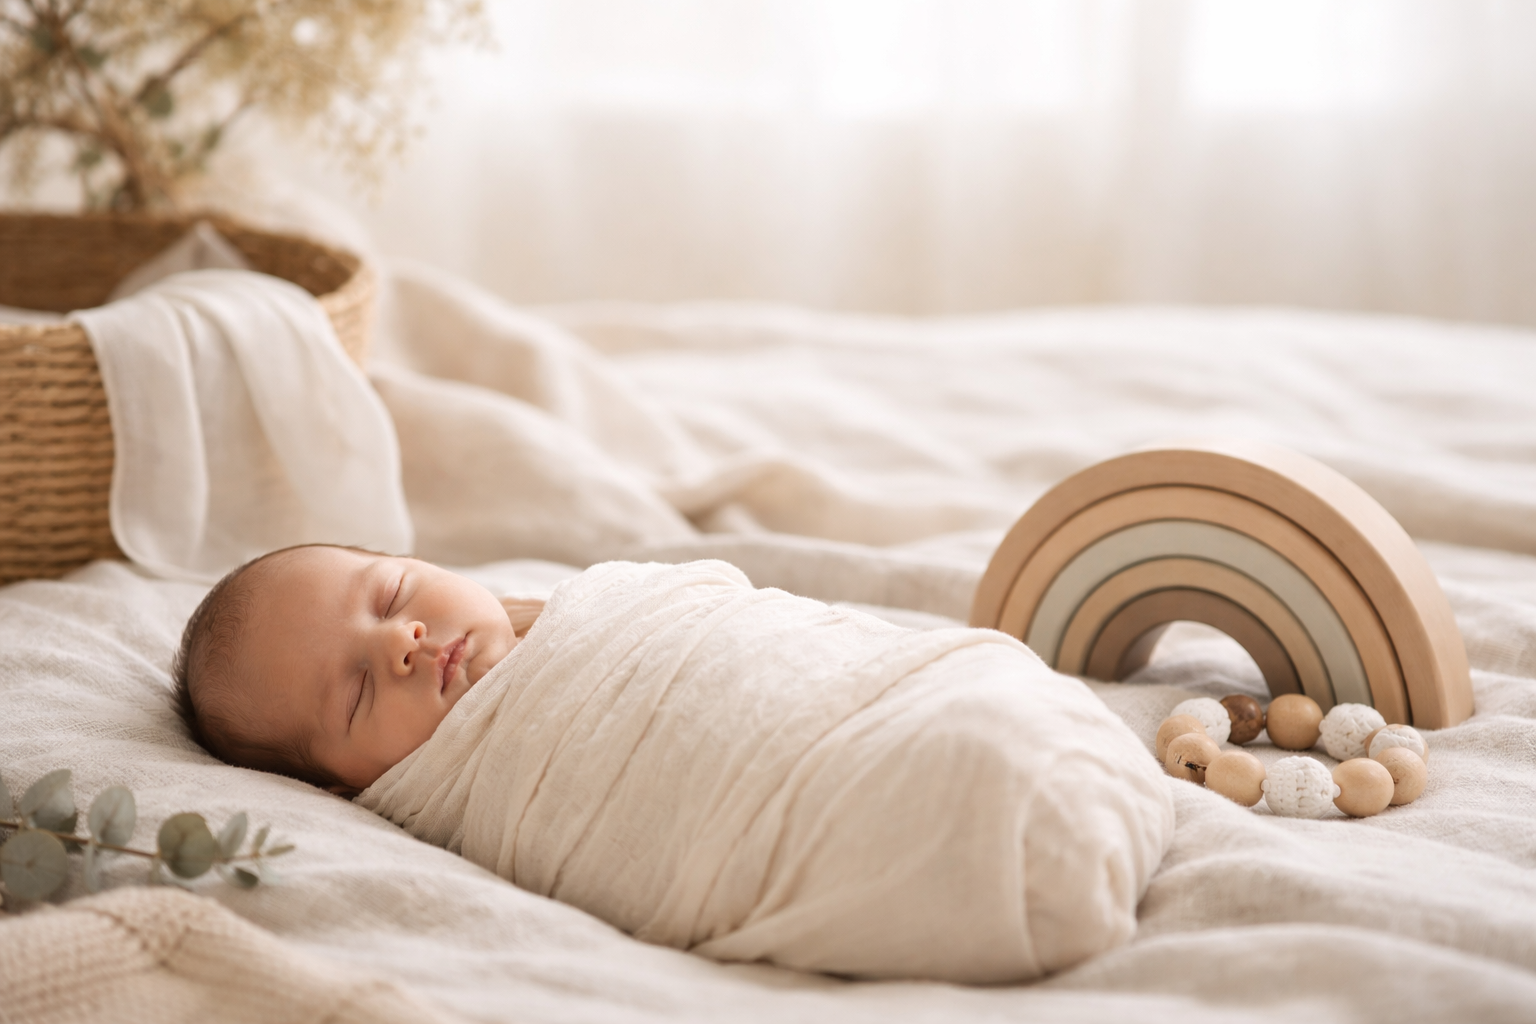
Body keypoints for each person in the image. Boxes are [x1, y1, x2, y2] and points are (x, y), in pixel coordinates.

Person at [173, 544, 544, 796]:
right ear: (351, 788)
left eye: (393, 595)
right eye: (359, 693)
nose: (401, 642)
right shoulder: (479, 799)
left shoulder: (556, 602)